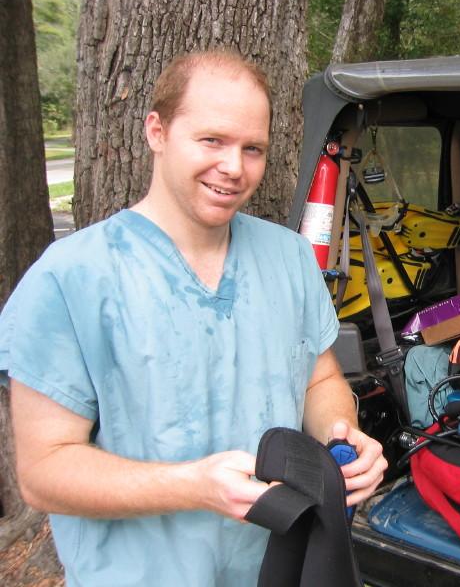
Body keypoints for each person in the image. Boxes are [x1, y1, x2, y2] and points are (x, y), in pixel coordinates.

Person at [0, 50, 387, 586]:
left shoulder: (289, 256)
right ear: (156, 131)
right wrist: (194, 485)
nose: (234, 167)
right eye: (212, 140)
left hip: (276, 566)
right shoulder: (70, 279)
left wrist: (342, 440)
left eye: (253, 148)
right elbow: (44, 473)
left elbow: (320, 378)